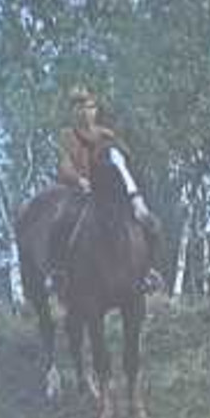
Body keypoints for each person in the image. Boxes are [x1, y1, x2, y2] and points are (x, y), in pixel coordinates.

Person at [52, 85, 164, 294]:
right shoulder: (67, 135)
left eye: (91, 107)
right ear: (74, 111)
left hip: (108, 192)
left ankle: (147, 271)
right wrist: (78, 180)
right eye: (82, 107)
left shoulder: (106, 135)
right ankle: (59, 274)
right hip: (78, 192)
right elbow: (64, 164)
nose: (87, 112)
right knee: (61, 220)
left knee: (149, 223)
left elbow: (123, 159)